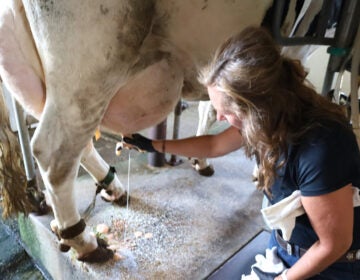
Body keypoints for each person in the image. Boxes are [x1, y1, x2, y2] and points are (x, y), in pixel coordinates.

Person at [123, 26, 360, 279]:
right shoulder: (271, 117)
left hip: (330, 266)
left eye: (226, 111)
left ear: (256, 108)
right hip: (284, 247)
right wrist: (152, 145)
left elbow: (333, 244)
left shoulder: (321, 147)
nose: (220, 117)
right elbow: (213, 145)